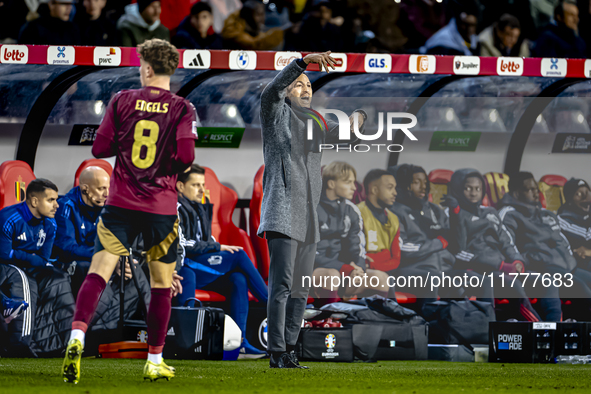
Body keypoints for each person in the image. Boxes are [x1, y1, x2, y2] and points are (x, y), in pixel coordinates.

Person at [62, 39, 197, 383]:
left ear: (148, 68)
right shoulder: (183, 108)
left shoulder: (122, 100)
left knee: (99, 272)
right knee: (161, 285)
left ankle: (76, 337)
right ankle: (154, 360)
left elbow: (99, 147)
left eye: (140, 66)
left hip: (120, 204)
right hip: (161, 208)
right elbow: (187, 158)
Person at [258, 50, 364, 369]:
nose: (305, 89)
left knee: (301, 290)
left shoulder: (317, 121)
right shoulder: (275, 113)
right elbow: (271, 91)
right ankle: (276, 351)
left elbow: (347, 130)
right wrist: (303, 63)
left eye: (309, 86)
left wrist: (360, 115)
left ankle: (290, 349)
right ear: (288, 89)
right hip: (282, 215)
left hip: (308, 221)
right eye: (298, 85)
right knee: (282, 287)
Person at [175, 164, 268, 358]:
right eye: (195, 185)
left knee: (238, 280)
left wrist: (214, 245)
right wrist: (217, 248)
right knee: (238, 256)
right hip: (186, 265)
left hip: (202, 266)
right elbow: (181, 244)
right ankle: (272, 305)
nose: (201, 189)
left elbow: (206, 239)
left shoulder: (200, 205)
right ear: (180, 187)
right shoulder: (173, 207)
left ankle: (240, 343)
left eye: (202, 184)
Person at [442, 169, 542, 321]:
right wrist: (499, 265)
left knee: (546, 282)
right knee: (513, 285)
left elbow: (506, 240)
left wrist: (516, 260)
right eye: (468, 188)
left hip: (503, 267)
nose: (474, 193)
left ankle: (555, 327)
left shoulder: (491, 212)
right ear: (457, 189)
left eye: (478, 189)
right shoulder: (451, 214)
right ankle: (539, 329)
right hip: (478, 269)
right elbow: (458, 251)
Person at [0, 179, 77, 356]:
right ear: (34, 201)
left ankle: (64, 344)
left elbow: (43, 259)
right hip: (6, 268)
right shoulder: (8, 218)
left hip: (29, 266)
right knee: (27, 283)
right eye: (51, 200)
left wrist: (26, 257)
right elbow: (4, 254)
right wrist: (30, 258)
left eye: (56, 200)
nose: (57, 205)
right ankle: (20, 344)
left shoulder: (50, 224)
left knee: (59, 279)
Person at [498, 172, 591, 318]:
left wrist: (570, 261)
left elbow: (561, 239)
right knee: (582, 290)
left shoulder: (545, 214)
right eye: (530, 189)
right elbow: (507, 243)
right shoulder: (508, 214)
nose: (536, 193)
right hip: (540, 267)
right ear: (516, 193)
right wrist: (528, 261)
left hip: (566, 266)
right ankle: (555, 335)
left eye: (536, 189)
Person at [313, 162, 389, 303]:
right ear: (331, 184)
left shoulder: (352, 211)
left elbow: (357, 246)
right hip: (311, 272)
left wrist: (358, 268)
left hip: (344, 271)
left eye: (354, 182)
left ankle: (372, 322)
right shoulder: (311, 209)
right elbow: (307, 254)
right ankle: (327, 321)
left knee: (380, 278)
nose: (354, 187)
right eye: (348, 182)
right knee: (331, 275)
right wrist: (344, 268)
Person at [53, 167, 110, 297]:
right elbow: (67, 249)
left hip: (95, 259)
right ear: (85, 189)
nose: (107, 194)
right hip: (70, 263)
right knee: (85, 266)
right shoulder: (65, 207)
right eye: (101, 189)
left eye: (108, 188)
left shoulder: (106, 207)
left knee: (134, 266)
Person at [558, 178, 591, 271]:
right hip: (579, 265)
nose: (586, 197)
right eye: (579, 194)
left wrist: (589, 251)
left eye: (587, 192)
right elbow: (587, 237)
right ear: (570, 200)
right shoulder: (563, 220)